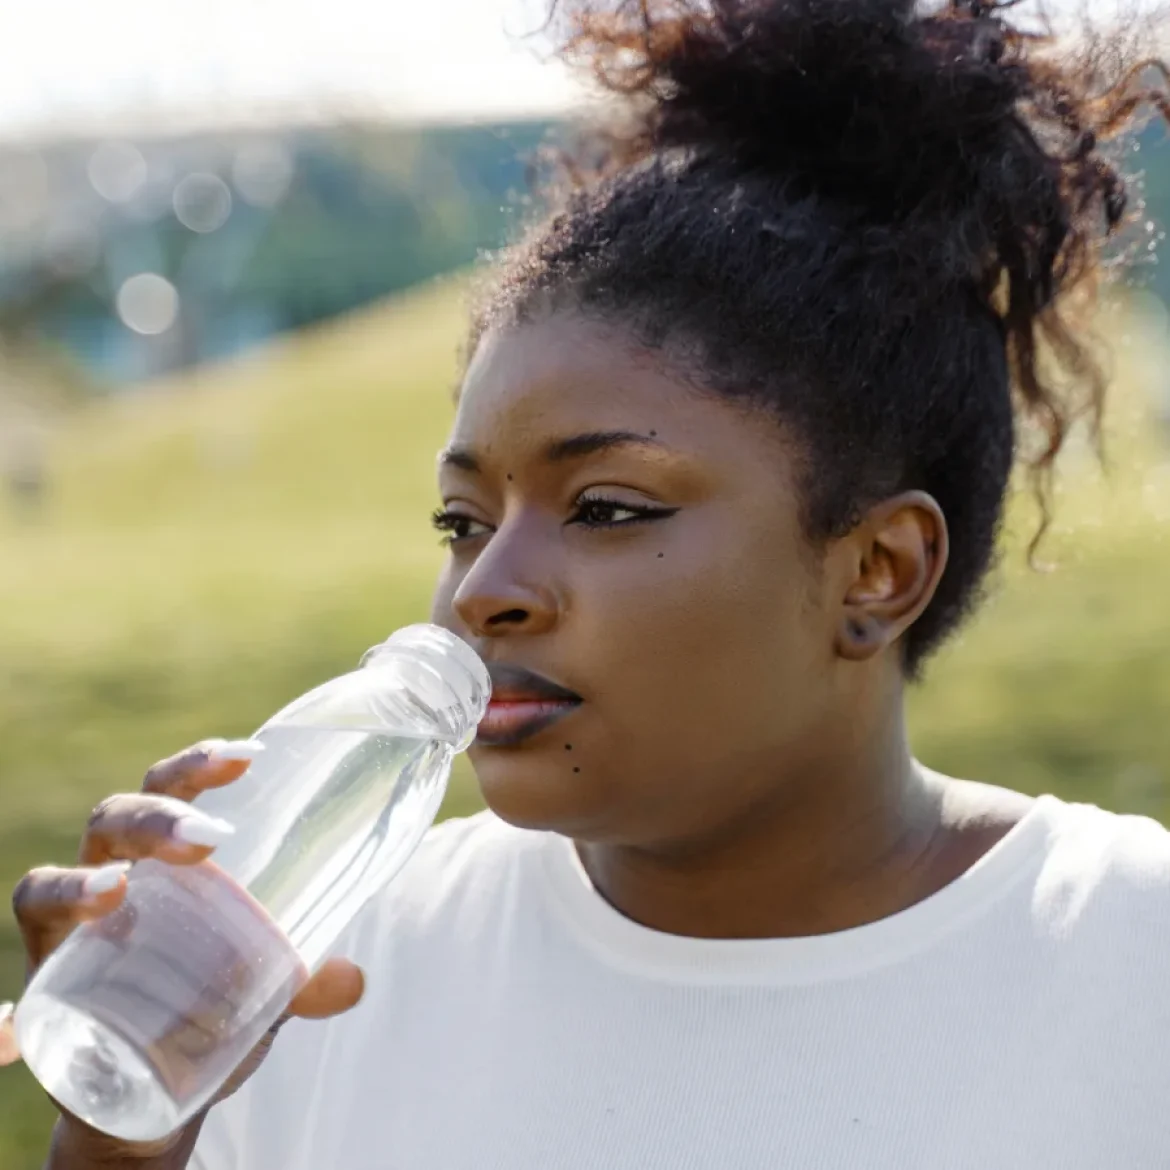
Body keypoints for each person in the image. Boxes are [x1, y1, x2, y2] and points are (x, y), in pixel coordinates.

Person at [10, 0, 1170, 1166]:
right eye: (462, 520)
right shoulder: (323, 980)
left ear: (878, 570)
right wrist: (120, 1140)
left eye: (608, 508)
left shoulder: (1128, 957)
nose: (484, 592)